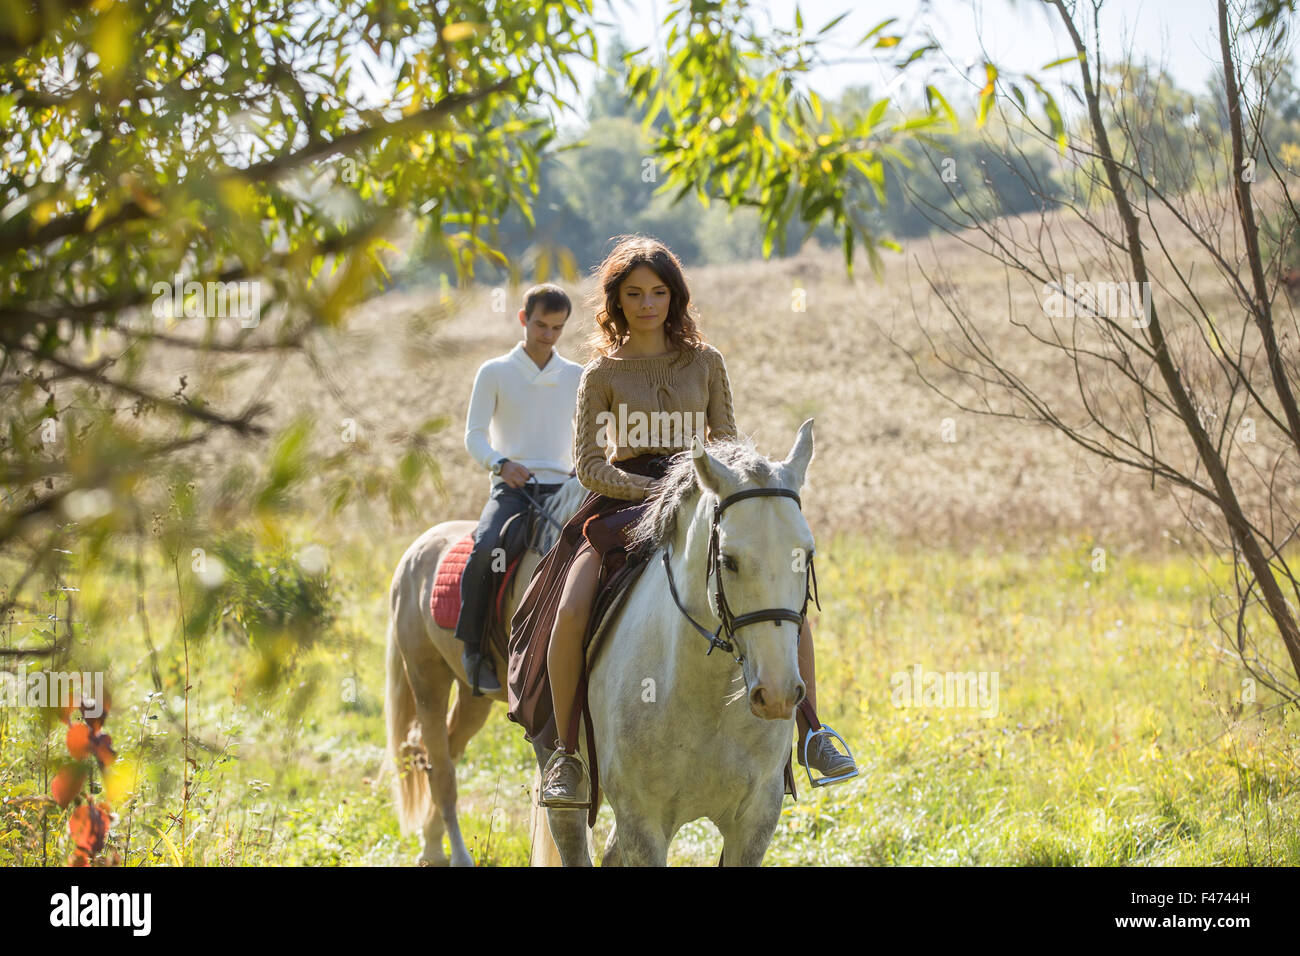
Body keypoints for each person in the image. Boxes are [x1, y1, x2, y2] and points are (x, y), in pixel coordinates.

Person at [508, 235, 856, 809]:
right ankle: (568, 755)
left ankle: (813, 731)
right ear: (617, 301)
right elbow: (590, 465)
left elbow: (728, 443)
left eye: (659, 292)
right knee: (571, 607)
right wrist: (654, 490)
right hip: (626, 504)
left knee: (782, 601)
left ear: (676, 295)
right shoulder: (602, 373)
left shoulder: (707, 362)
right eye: (635, 293)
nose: (648, 303)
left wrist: (724, 487)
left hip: (704, 497)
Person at [457, 284, 583, 694]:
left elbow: (590, 440)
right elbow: (474, 436)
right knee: (487, 547)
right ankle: (474, 650)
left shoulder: (577, 377)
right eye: (541, 325)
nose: (548, 335)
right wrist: (501, 464)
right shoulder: (494, 372)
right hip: (513, 488)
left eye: (557, 328)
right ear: (523, 319)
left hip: (564, 489)